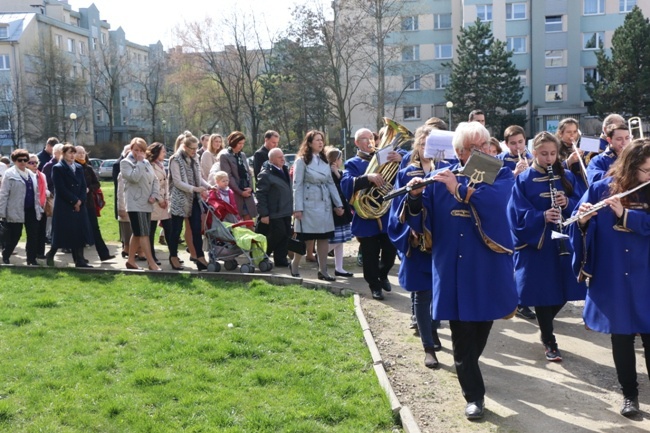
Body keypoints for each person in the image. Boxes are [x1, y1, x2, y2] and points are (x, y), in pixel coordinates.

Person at [400, 121, 518, 420]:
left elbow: (496, 203)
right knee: (463, 337)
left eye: (484, 146)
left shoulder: (500, 173)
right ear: (459, 151)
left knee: (480, 331)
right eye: (474, 148)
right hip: (452, 270)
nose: (483, 152)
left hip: (487, 268)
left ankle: (468, 368)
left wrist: (459, 189)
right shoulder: (438, 178)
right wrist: (414, 196)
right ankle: (474, 397)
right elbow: (418, 223)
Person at [568, 138, 650, 418]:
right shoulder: (602, 189)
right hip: (614, 274)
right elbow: (578, 226)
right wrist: (582, 221)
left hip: (645, 276)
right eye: (646, 171)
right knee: (622, 337)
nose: (649, 176)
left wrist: (626, 215)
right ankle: (629, 394)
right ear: (629, 167)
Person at [507, 131, 586, 361]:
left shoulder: (567, 177)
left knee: (565, 285)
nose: (549, 158)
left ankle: (546, 325)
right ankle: (549, 338)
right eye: (543, 154)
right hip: (538, 242)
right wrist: (542, 215)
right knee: (543, 291)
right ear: (533, 153)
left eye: (552, 153)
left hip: (562, 237)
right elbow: (516, 213)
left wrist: (568, 202)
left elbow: (583, 204)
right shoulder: (523, 180)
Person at [388, 125, 442, 369]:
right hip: (417, 243)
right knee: (421, 294)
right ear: (417, 147)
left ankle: (433, 329)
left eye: (430, 146)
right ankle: (428, 347)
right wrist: (412, 205)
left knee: (439, 292)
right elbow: (396, 208)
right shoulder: (408, 172)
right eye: (422, 145)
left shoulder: (447, 171)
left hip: (443, 242)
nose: (426, 150)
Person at [341, 128, 403, 300]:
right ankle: (374, 285)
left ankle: (383, 274)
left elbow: (410, 161)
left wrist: (402, 159)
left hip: (386, 214)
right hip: (366, 218)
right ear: (356, 142)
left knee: (390, 254)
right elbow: (346, 183)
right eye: (363, 139)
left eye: (371, 138)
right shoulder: (353, 162)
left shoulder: (386, 157)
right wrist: (367, 177)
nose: (369, 141)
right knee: (370, 256)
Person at [291, 130, 344, 280]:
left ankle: (323, 270)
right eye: (317, 140)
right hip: (308, 204)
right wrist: (298, 208)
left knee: (324, 238)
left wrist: (338, 205)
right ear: (309, 143)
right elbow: (297, 185)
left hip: (324, 203)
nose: (321, 142)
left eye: (322, 140)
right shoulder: (301, 161)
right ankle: (295, 264)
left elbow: (330, 183)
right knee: (304, 237)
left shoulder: (324, 161)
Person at [496, 125, 536, 320]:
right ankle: (510, 298)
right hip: (504, 211)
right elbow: (494, 189)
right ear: (506, 144)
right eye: (513, 143)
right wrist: (514, 175)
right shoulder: (499, 161)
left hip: (524, 211)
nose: (518, 146)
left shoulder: (532, 159)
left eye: (521, 142)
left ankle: (523, 300)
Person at [168, 132, 213, 271]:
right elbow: (177, 182)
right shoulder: (175, 159)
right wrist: (195, 188)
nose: (194, 151)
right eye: (192, 148)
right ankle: (173, 256)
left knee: (196, 229)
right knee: (176, 230)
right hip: (179, 199)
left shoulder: (196, 158)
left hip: (194, 199)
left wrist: (209, 186)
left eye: (196, 148)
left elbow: (199, 177)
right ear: (184, 147)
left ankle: (199, 256)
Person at [46, 144, 93, 268]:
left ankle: (80, 259)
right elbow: (60, 188)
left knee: (79, 231)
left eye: (74, 153)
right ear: (63, 154)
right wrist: (74, 201)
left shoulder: (78, 167)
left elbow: (83, 186)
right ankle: (51, 254)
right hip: (65, 205)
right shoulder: (58, 168)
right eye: (69, 153)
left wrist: (80, 201)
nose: (72, 155)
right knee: (64, 233)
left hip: (79, 204)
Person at [120, 138, 162, 271]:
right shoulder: (125, 163)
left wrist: (154, 195)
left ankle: (131, 260)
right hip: (135, 204)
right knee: (144, 233)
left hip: (147, 203)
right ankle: (151, 263)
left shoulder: (146, 162)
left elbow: (154, 180)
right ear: (131, 149)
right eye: (136, 150)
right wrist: (138, 163)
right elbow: (134, 178)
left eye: (142, 150)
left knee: (138, 233)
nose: (139, 153)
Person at [0, 149, 42, 265]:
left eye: (25, 160)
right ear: (14, 161)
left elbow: (36, 194)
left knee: (33, 235)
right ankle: (6, 254)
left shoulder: (31, 175)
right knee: (15, 236)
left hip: (31, 210)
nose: (23, 162)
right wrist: (2, 213)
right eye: (20, 160)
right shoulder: (9, 174)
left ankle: (31, 259)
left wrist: (39, 209)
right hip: (15, 210)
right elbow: (3, 194)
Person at [75, 146, 114, 262]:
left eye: (83, 153)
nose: (81, 155)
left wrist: (89, 188)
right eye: (79, 153)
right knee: (80, 230)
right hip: (78, 203)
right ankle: (80, 257)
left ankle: (104, 254)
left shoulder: (88, 168)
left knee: (95, 228)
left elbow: (97, 184)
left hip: (89, 203)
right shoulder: (74, 168)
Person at [255, 148, 293, 267]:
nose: (283, 159)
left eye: (283, 156)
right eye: (279, 157)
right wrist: (264, 214)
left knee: (286, 234)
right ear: (271, 160)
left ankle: (281, 259)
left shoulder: (284, 170)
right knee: (277, 233)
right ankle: (262, 255)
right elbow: (260, 195)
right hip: (274, 211)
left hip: (286, 210)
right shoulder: (266, 174)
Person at [325, 146, 354, 277]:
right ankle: (321, 254)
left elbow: (343, 183)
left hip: (342, 208)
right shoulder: (327, 173)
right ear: (335, 160)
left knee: (340, 241)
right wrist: (335, 207)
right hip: (336, 210)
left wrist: (338, 173)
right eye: (340, 158)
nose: (341, 161)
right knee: (336, 239)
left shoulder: (338, 172)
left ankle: (339, 267)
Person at [218, 131, 257, 220]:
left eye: (243, 143)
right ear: (233, 142)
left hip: (247, 191)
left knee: (249, 220)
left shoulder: (242, 155)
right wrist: (240, 192)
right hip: (235, 193)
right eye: (239, 143)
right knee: (237, 222)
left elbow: (248, 173)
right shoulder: (225, 156)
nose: (241, 146)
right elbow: (228, 176)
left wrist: (250, 188)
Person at [147, 142, 172, 267]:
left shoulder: (161, 165)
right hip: (155, 202)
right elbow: (152, 184)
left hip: (164, 202)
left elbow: (166, 184)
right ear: (156, 152)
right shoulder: (150, 166)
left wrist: (166, 199)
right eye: (163, 152)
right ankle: (150, 256)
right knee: (151, 231)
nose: (165, 154)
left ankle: (173, 255)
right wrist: (160, 199)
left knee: (169, 229)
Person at [556, 117, 589, 193]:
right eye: (569, 132)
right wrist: (569, 161)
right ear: (560, 133)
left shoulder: (583, 145)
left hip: (584, 187)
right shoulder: (556, 149)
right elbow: (554, 170)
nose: (572, 135)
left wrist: (585, 156)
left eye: (575, 132)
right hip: (568, 188)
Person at [27, 153, 49, 259]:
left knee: (42, 231)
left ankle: (40, 252)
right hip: (31, 207)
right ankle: (31, 254)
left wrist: (47, 193)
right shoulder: (26, 175)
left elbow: (45, 188)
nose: (34, 164)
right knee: (33, 232)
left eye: (36, 162)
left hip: (42, 206)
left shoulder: (42, 175)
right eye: (31, 162)